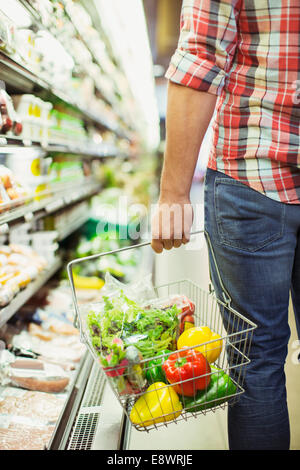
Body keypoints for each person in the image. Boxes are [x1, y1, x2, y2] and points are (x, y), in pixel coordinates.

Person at [151, 0, 300, 450]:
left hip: (253, 169)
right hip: (255, 176)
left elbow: (201, 55)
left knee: (257, 361)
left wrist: (174, 193)